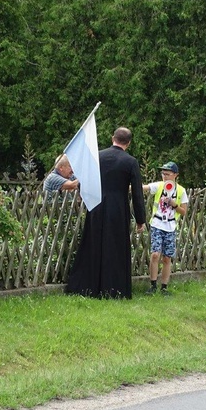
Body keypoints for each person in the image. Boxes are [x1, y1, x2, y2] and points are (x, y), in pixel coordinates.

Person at [65, 127, 147, 299]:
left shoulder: (98, 157)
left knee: (93, 244)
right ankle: (114, 289)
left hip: (96, 205)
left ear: (112, 138)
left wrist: (85, 198)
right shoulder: (130, 162)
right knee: (115, 248)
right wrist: (141, 219)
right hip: (117, 208)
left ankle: (87, 286)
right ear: (129, 143)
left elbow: (83, 180)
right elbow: (137, 193)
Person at [142, 161, 189, 296]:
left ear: (175, 175)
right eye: (163, 174)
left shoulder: (181, 191)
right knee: (155, 254)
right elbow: (144, 188)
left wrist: (174, 204)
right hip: (157, 224)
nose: (165, 176)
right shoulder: (159, 186)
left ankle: (164, 287)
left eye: (167, 174)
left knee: (167, 258)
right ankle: (152, 285)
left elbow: (184, 211)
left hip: (170, 226)